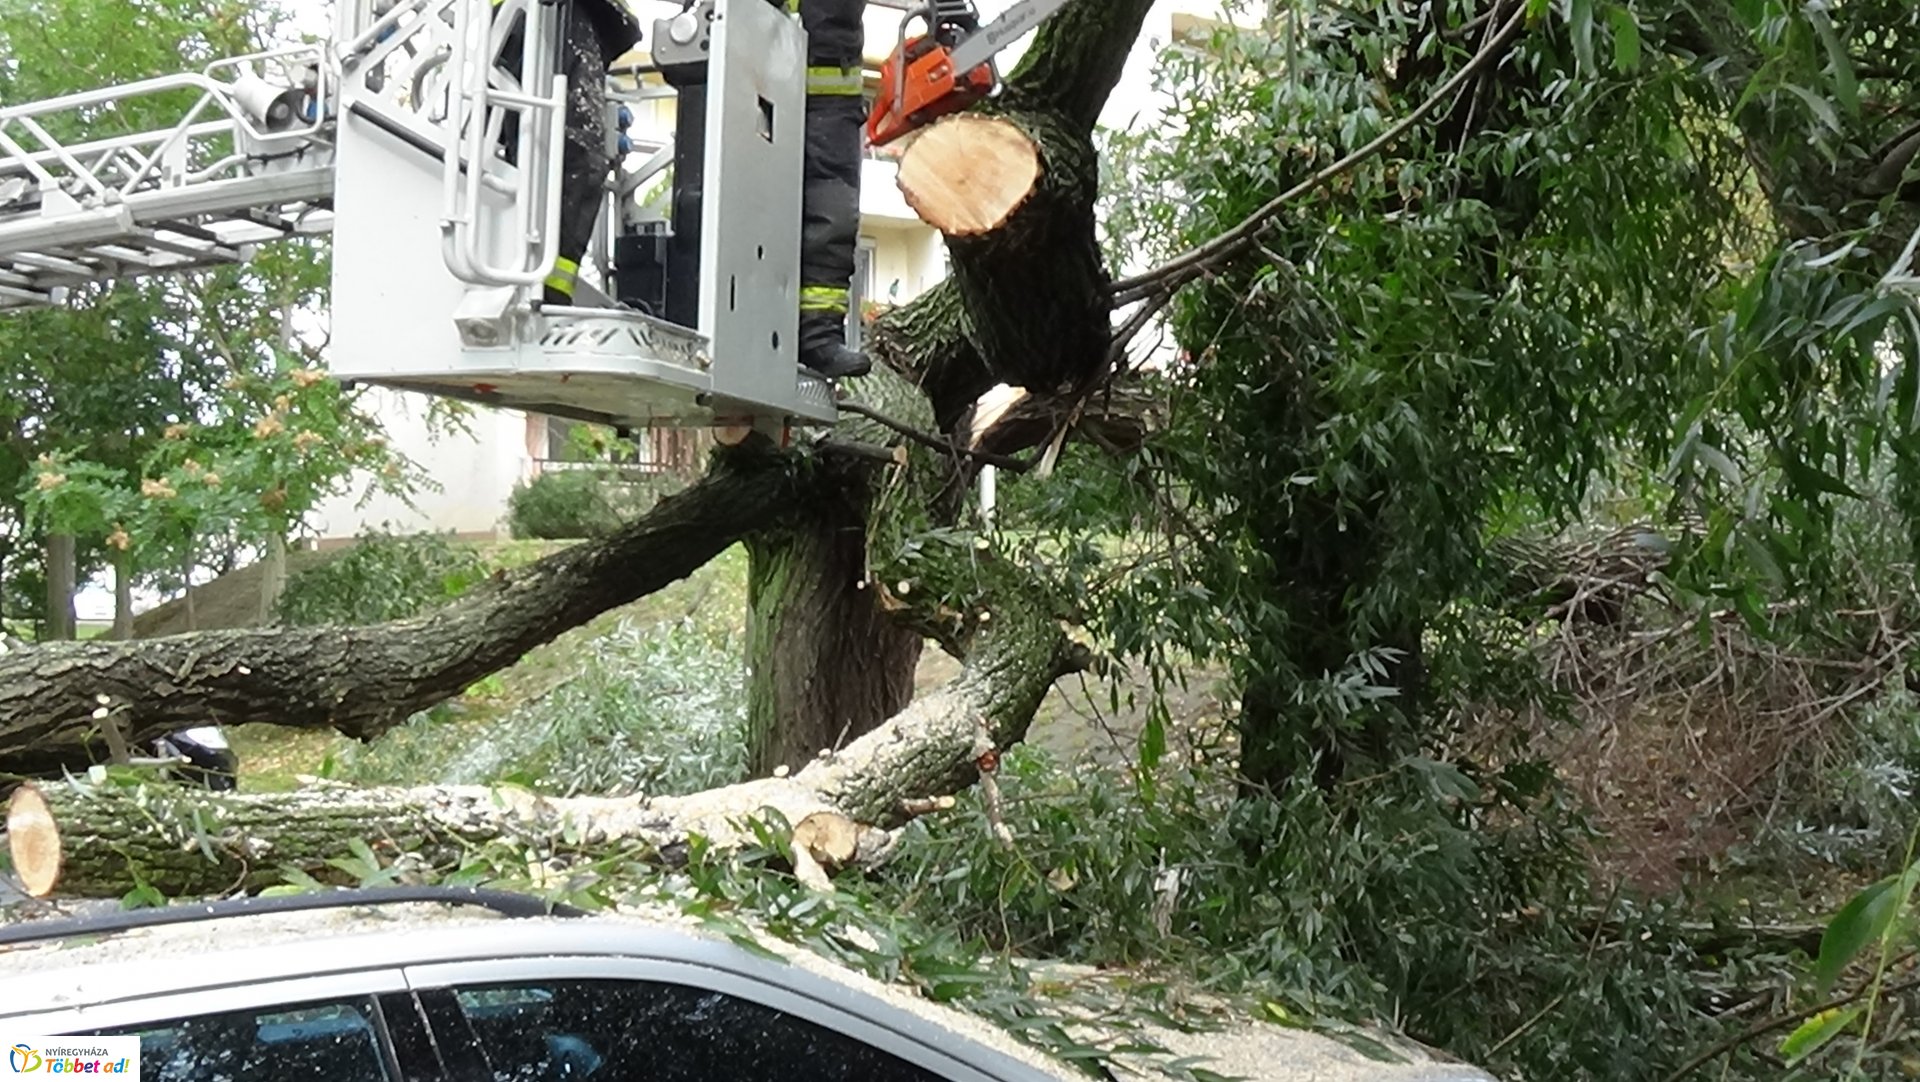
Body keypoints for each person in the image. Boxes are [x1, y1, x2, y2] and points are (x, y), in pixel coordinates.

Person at [492, 0, 644, 307]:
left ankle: (547, 283)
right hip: (549, 14)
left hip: (571, 17)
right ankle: (546, 286)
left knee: (557, 156)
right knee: (572, 158)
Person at [785, 0, 870, 379]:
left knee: (834, 215)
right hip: (748, 63)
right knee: (746, 206)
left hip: (831, 97)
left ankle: (819, 336)